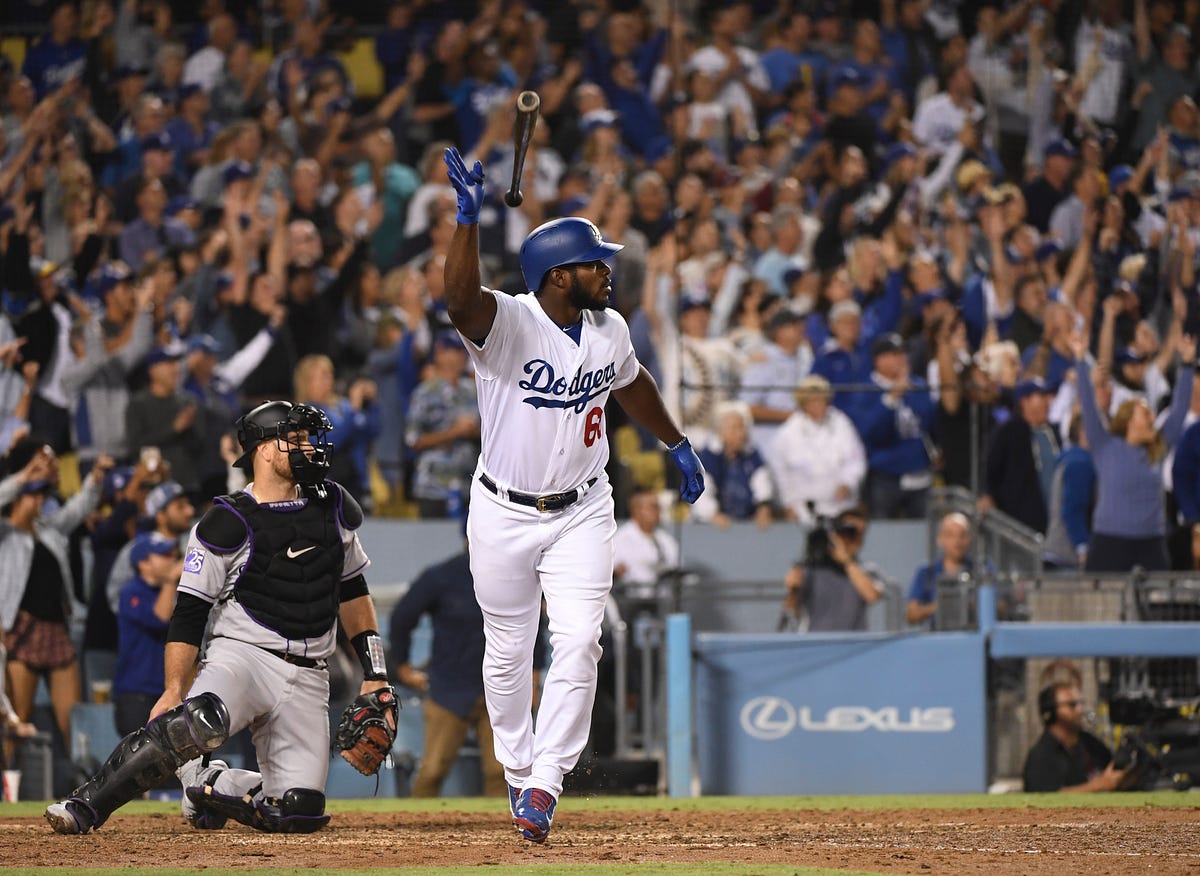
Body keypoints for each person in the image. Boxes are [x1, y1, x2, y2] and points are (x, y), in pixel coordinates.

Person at [442, 146, 704, 843]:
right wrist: (466, 224)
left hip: (584, 507)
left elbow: (633, 383)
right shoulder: (509, 324)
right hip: (501, 507)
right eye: (595, 262)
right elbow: (460, 301)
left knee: (582, 640)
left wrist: (675, 442)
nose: (607, 270)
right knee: (507, 650)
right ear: (560, 277)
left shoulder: (609, 329)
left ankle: (546, 783)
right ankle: (519, 768)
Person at [45, 400, 394, 835]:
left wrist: (376, 672)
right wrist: (174, 688)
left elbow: (354, 591)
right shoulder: (227, 520)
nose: (310, 448)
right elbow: (190, 611)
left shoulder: (333, 505)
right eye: (297, 439)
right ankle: (86, 804)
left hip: (310, 673)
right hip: (244, 656)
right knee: (196, 723)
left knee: (299, 812)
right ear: (264, 450)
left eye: (308, 438)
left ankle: (207, 783)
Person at [388, 539, 505, 799]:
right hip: (449, 689)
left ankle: (504, 836)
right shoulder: (443, 576)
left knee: (501, 772)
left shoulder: (512, 574)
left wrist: (532, 675)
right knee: (432, 771)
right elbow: (402, 616)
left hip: (500, 688)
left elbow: (533, 623)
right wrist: (402, 666)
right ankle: (414, 835)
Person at [112, 531, 180, 736]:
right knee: (139, 760)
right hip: (136, 693)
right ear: (144, 563)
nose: (173, 560)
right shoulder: (131, 591)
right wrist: (170, 580)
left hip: (164, 690)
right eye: (164, 555)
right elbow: (159, 619)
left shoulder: (171, 593)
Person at [782, 507, 883, 632]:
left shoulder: (869, 569)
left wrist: (846, 561)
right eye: (850, 531)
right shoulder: (812, 570)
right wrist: (793, 590)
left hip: (855, 645)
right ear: (836, 533)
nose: (856, 538)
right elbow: (792, 611)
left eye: (861, 533)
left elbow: (871, 595)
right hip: (817, 644)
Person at [1022, 682, 1128, 793]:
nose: (1080, 710)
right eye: (1072, 705)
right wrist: (1098, 785)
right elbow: (1044, 796)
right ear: (1051, 711)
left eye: (1080, 703)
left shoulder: (1090, 744)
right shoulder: (1041, 754)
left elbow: (1110, 771)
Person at [906, 511, 972, 628]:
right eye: (950, 535)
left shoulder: (982, 568)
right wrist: (940, 606)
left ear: (969, 539)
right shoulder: (926, 572)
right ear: (940, 539)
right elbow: (911, 615)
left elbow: (1000, 607)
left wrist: (973, 605)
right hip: (938, 637)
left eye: (962, 535)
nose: (957, 541)